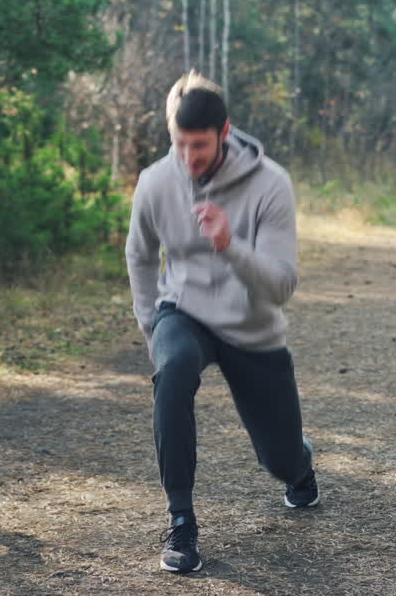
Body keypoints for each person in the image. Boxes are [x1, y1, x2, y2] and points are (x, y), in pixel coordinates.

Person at [125, 71, 319, 575]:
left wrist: (231, 245)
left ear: (225, 131)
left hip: (252, 324)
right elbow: (140, 255)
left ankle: (300, 464)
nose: (189, 157)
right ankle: (181, 522)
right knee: (173, 371)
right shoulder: (156, 182)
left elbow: (281, 285)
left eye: (201, 145)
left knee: (280, 459)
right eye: (180, 144)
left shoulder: (270, 184)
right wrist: (151, 327)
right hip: (183, 310)